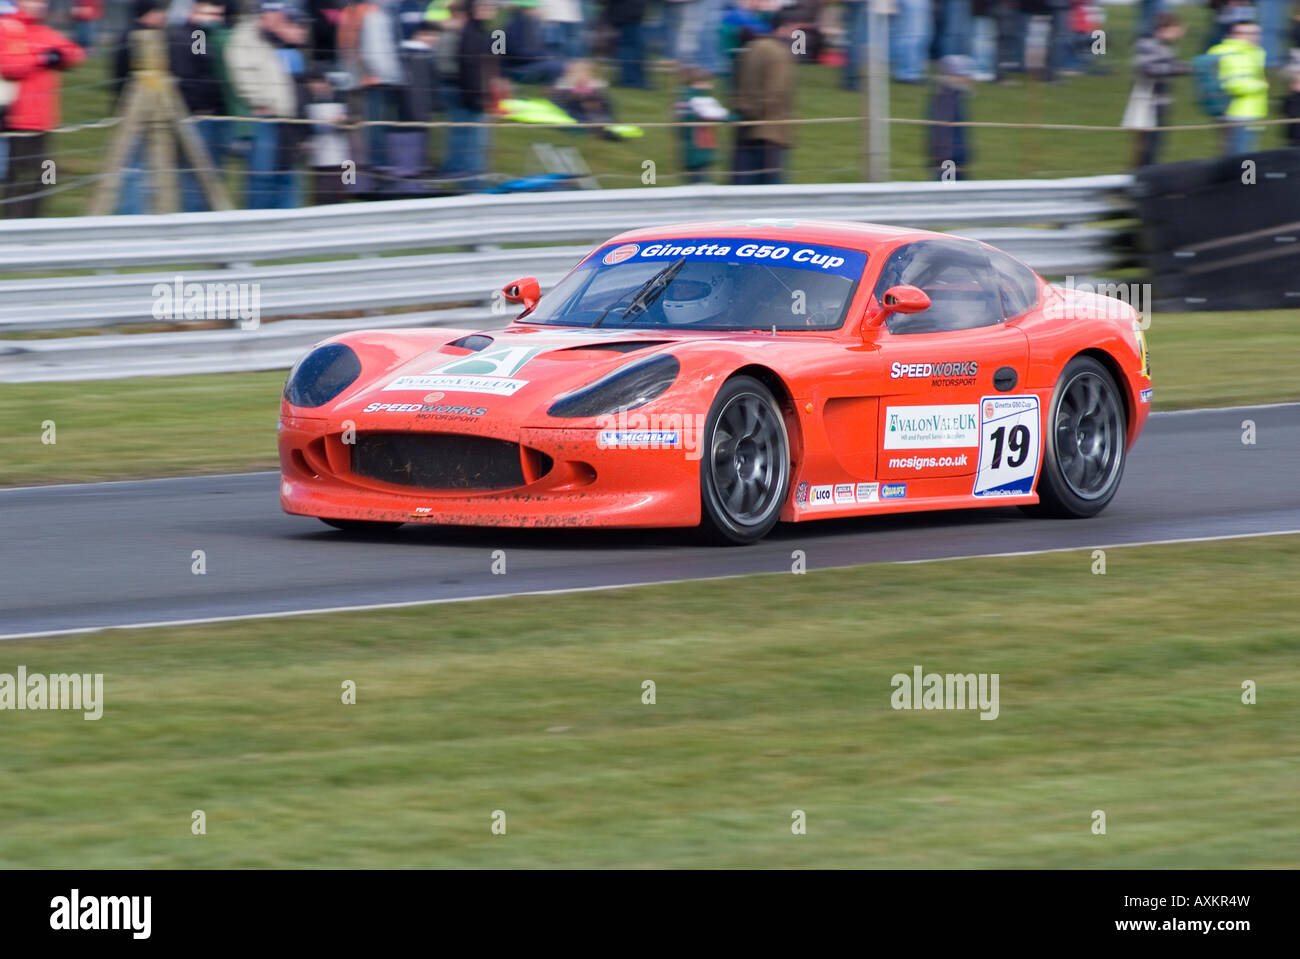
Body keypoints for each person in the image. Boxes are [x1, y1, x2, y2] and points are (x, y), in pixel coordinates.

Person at [0, 0, 84, 218]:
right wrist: (41, 58)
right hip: (19, 122)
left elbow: (74, 53)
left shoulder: (44, 31)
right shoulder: (8, 28)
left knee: (48, 174)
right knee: (21, 178)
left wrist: (58, 57)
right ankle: (16, 223)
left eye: (42, 1)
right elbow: (8, 65)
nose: (38, 5)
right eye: (32, 1)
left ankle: (35, 219)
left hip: (44, 121)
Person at [226, 0, 306, 208]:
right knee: (262, 178)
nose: (282, 19)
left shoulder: (273, 38)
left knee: (286, 175)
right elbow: (242, 75)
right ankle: (259, 226)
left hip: (284, 116)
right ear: (266, 13)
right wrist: (262, 102)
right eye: (278, 14)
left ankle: (287, 226)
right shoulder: (246, 37)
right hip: (264, 117)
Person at [169, 0, 231, 212]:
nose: (216, 19)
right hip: (199, 115)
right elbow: (195, 73)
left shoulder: (200, 35)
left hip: (207, 114)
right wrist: (202, 104)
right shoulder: (196, 36)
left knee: (207, 174)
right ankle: (195, 216)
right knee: (197, 176)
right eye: (211, 13)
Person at [730, 9, 794, 184]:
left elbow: (737, 85)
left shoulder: (751, 47)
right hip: (769, 133)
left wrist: (745, 112)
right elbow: (775, 92)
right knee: (771, 197)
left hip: (744, 129)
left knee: (742, 191)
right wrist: (758, 114)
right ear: (785, 28)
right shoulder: (779, 52)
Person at [1121, 10, 1188, 168]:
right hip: (1147, 104)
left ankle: (1147, 175)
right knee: (1145, 147)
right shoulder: (1147, 44)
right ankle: (1139, 177)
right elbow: (1147, 69)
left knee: (1157, 146)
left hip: (1161, 103)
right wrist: (1177, 69)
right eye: (1177, 30)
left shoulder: (1166, 47)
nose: (1180, 34)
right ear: (1167, 28)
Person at [1208, 20, 1269, 155]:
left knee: (1245, 157)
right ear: (1235, 34)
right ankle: (1244, 177)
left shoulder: (1254, 52)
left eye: (1257, 33)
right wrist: (1260, 85)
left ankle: (1243, 177)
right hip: (1236, 114)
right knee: (1241, 159)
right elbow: (1233, 84)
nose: (1255, 36)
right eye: (1249, 33)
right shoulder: (1231, 53)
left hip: (1251, 112)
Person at [675, 65, 727, 181]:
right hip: (699, 150)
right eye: (707, 82)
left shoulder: (683, 98)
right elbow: (720, 115)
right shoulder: (698, 100)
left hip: (688, 150)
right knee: (700, 184)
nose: (710, 86)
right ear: (698, 83)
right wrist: (735, 118)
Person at [927, 53, 972, 178]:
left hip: (956, 158)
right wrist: (951, 156)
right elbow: (941, 133)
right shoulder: (945, 99)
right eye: (959, 75)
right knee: (948, 193)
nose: (965, 79)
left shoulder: (955, 97)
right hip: (948, 160)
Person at [501, 0, 563, 84]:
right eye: (535, 8)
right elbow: (516, 52)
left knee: (557, 65)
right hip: (517, 67)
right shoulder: (514, 24)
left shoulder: (530, 22)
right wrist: (540, 56)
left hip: (527, 62)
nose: (538, 10)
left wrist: (544, 56)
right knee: (556, 67)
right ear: (527, 9)